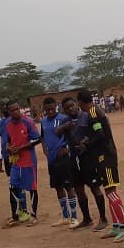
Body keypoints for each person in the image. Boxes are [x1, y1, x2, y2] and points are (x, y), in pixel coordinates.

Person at [76, 90, 122, 234]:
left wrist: (87, 144)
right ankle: (116, 226)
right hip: (103, 155)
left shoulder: (93, 113)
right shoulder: (95, 111)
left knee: (111, 191)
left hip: (106, 155)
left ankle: (122, 227)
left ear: (80, 102)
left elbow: (101, 134)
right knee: (109, 191)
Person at [59, 96, 98, 230]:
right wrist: (64, 126)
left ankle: (103, 218)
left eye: (72, 106)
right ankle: (87, 219)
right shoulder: (65, 120)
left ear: (76, 104)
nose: (70, 109)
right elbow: (56, 132)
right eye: (67, 108)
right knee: (79, 190)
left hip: (87, 157)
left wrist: (86, 142)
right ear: (64, 110)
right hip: (73, 159)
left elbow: (95, 133)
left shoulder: (86, 116)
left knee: (95, 187)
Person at [40, 97, 79, 227]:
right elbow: (42, 136)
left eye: (52, 109)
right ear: (44, 109)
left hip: (63, 159)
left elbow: (73, 135)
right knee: (58, 187)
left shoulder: (63, 118)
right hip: (51, 160)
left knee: (69, 187)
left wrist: (67, 148)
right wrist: (44, 149)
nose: (50, 111)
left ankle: (74, 217)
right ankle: (65, 216)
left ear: (56, 106)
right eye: (47, 110)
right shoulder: (43, 121)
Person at [2, 101, 41, 226]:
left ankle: (34, 215)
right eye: (12, 110)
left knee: (32, 189)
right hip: (15, 162)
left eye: (17, 109)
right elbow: (8, 140)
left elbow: (37, 139)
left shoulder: (28, 121)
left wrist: (21, 148)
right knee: (13, 187)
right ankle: (15, 215)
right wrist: (9, 148)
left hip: (29, 161)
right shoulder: (7, 124)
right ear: (8, 112)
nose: (16, 112)